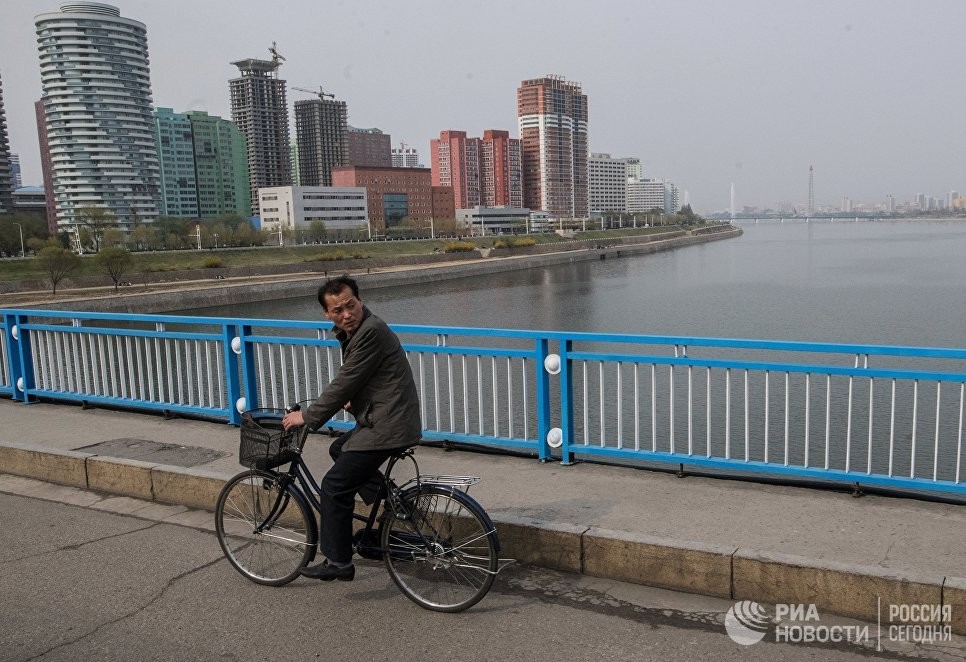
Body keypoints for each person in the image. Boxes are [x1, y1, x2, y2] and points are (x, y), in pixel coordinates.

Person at [282, 275, 421, 581]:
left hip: (389, 425)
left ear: (361, 301)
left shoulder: (370, 331)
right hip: (389, 418)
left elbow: (345, 381)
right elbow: (366, 378)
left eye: (351, 305)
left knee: (334, 486)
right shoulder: (359, 331)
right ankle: (392, 503)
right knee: (338, 448)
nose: (346, 314)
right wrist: (354, 400)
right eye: (338, 310)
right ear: (326, 314)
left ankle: (339, 562)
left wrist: (308, 417)